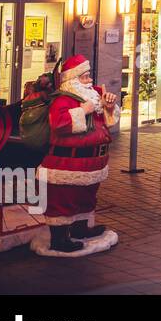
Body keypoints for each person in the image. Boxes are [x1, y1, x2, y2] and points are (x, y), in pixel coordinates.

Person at [41, 54, 118, 254]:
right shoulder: (63, 99)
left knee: (87, 195)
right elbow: (59, 124)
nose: (89, 80)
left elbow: (107, 122)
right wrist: (82, 110)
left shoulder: (94, 95)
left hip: (92, 162)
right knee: (64, 198)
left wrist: (108, 106)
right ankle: (59, 239)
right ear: (72, 80)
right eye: (84, 77)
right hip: (68, 162)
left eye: (89, 75)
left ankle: (81, 228)